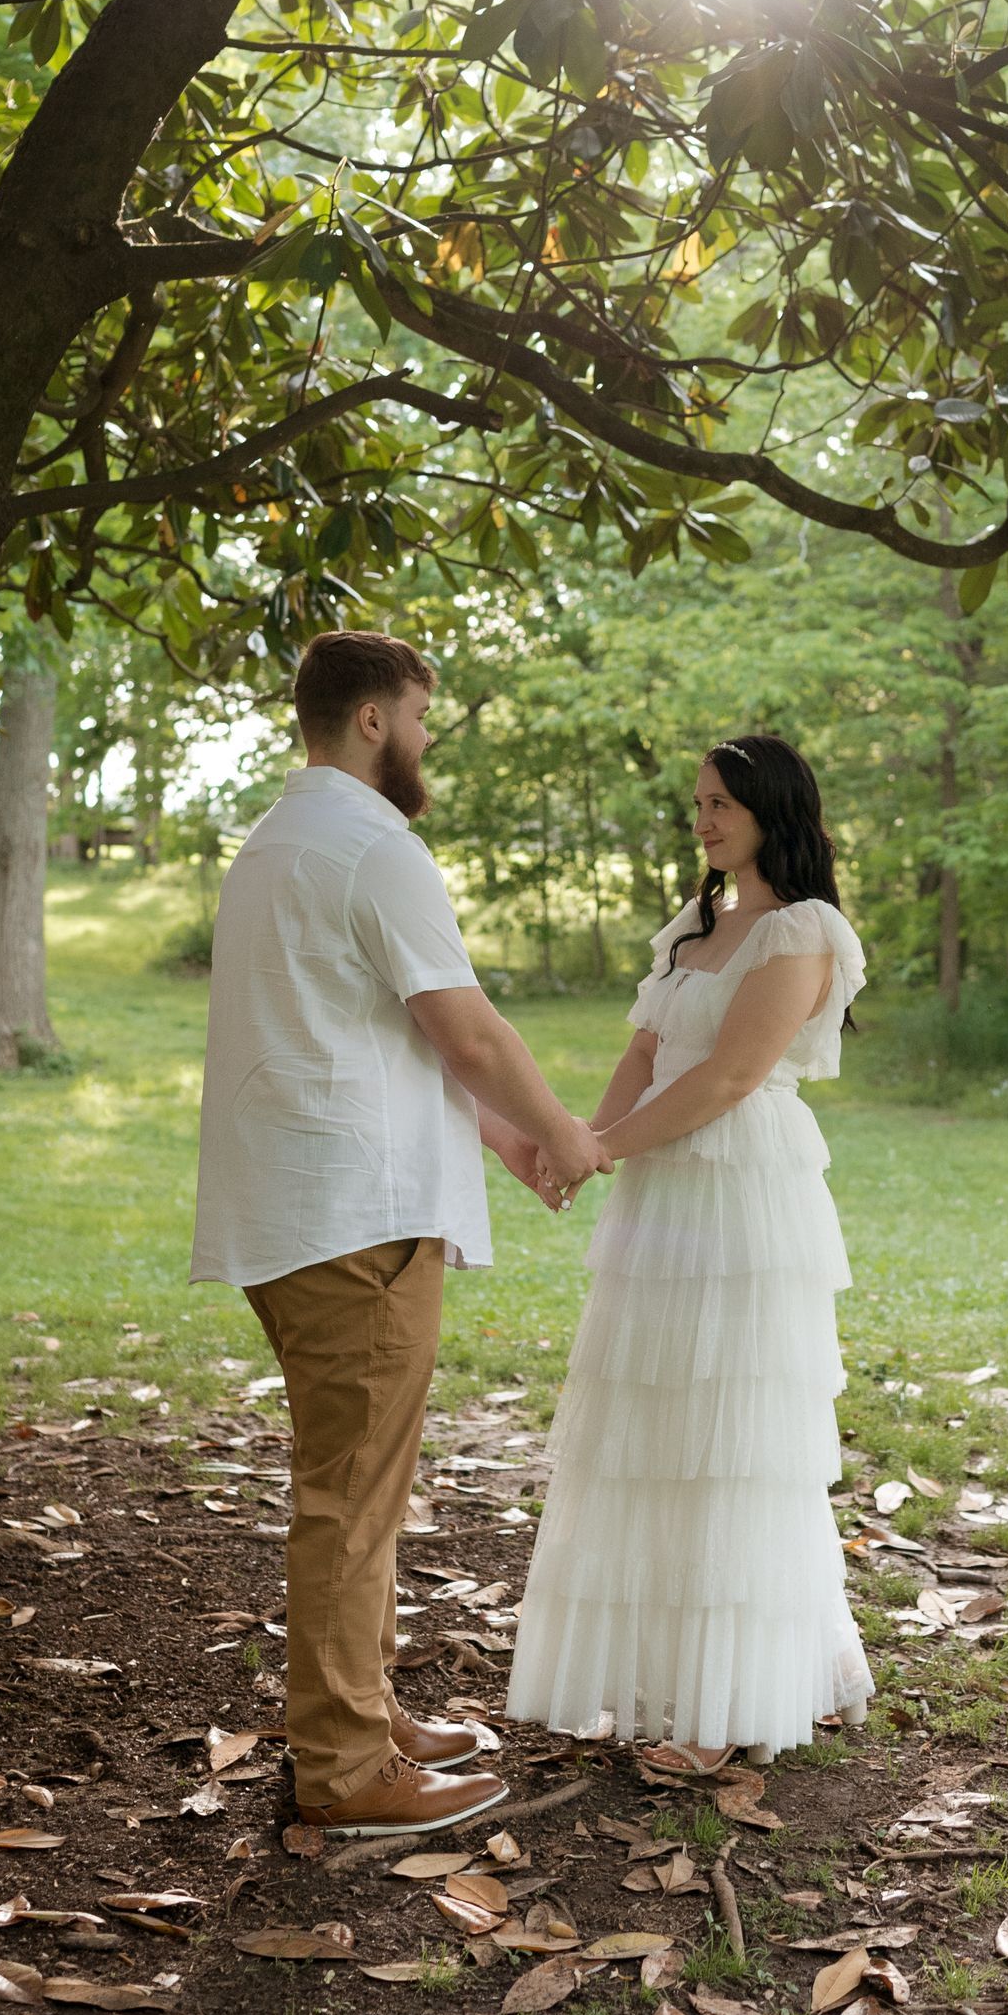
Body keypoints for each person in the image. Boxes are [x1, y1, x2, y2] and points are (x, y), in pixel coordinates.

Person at [191, 629, 610, 1837]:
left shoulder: (276, 842)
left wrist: (506, 1142)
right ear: (375, 717)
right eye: (423, 715)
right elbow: (463, 1027)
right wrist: (565, 1134)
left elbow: (373, 1040)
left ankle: (364, 1714)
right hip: (356, 1223)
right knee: (350, 1495)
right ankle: (343, 1769)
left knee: (359, 1482)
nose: (427, 742)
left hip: (304, 1211)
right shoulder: (375, 845)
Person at [507, 733, 873, 1770]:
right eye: (699, 802)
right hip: (663, 1180)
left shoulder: (801, 930)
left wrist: (603, 1146)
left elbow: (726, 1077)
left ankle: (749, 1683)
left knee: (735, 1432)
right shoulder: (698, 922)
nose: (705, 819)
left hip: (736, 1187)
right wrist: (579, 1143)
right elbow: (646, 1049)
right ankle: (668, 1665)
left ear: (774, 810)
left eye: (723, 803)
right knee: (654, 1419)